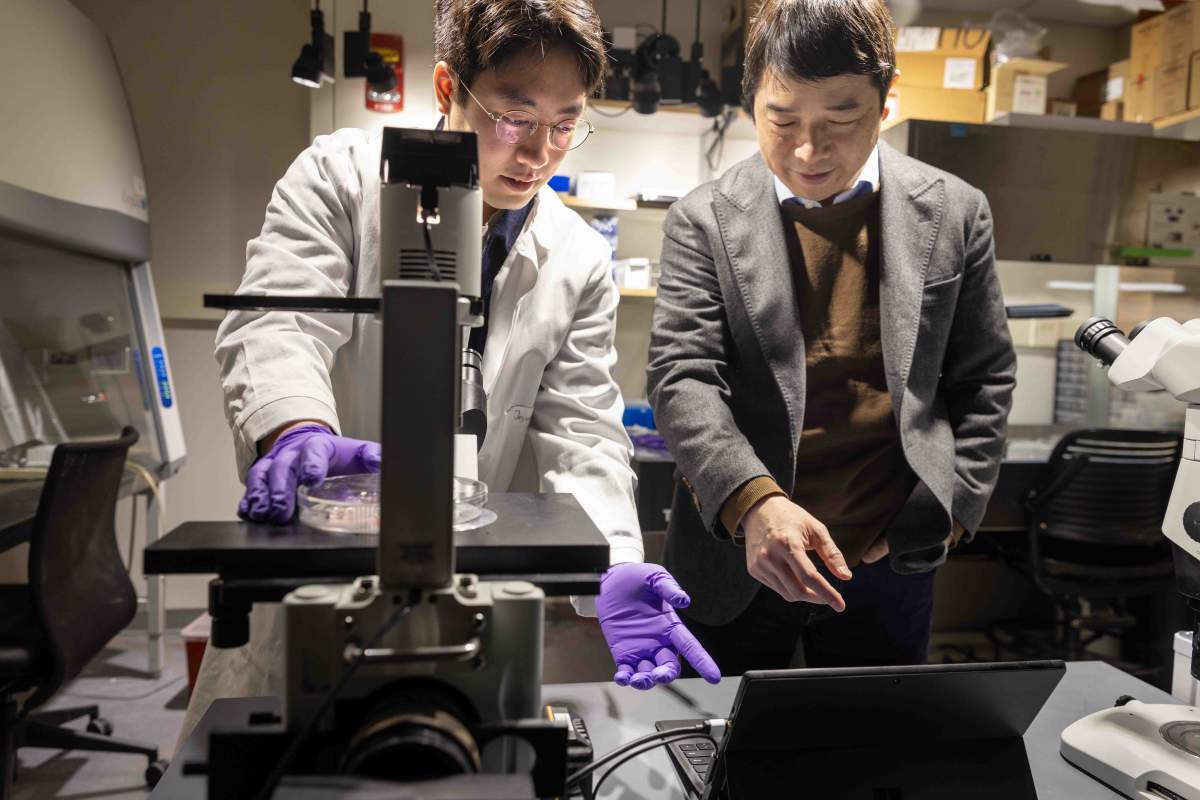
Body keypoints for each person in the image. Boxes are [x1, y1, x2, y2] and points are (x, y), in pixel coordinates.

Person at [178, 0, 718, 750]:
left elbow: (584, 431)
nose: (538, 152)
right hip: (322, 576)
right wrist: (295, 425)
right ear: (445, 88)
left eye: (565, 124)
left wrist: (615, 565)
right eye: (514, 116)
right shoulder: (339, 176)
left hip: (470, 601)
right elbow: (280, 320)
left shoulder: (578, 257)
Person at [647, 0, 1016, 675]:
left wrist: (950, 508)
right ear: (752, 102)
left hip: (887, 560)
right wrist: (754, 503)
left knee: (873, 761)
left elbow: (984, 377)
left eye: (840, 121)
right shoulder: (703, 219)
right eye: (781, 121)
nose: (808, 151)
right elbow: (683, 377)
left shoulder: (956, 212)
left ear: (885, 104)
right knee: (713, 754)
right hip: (739, 554)